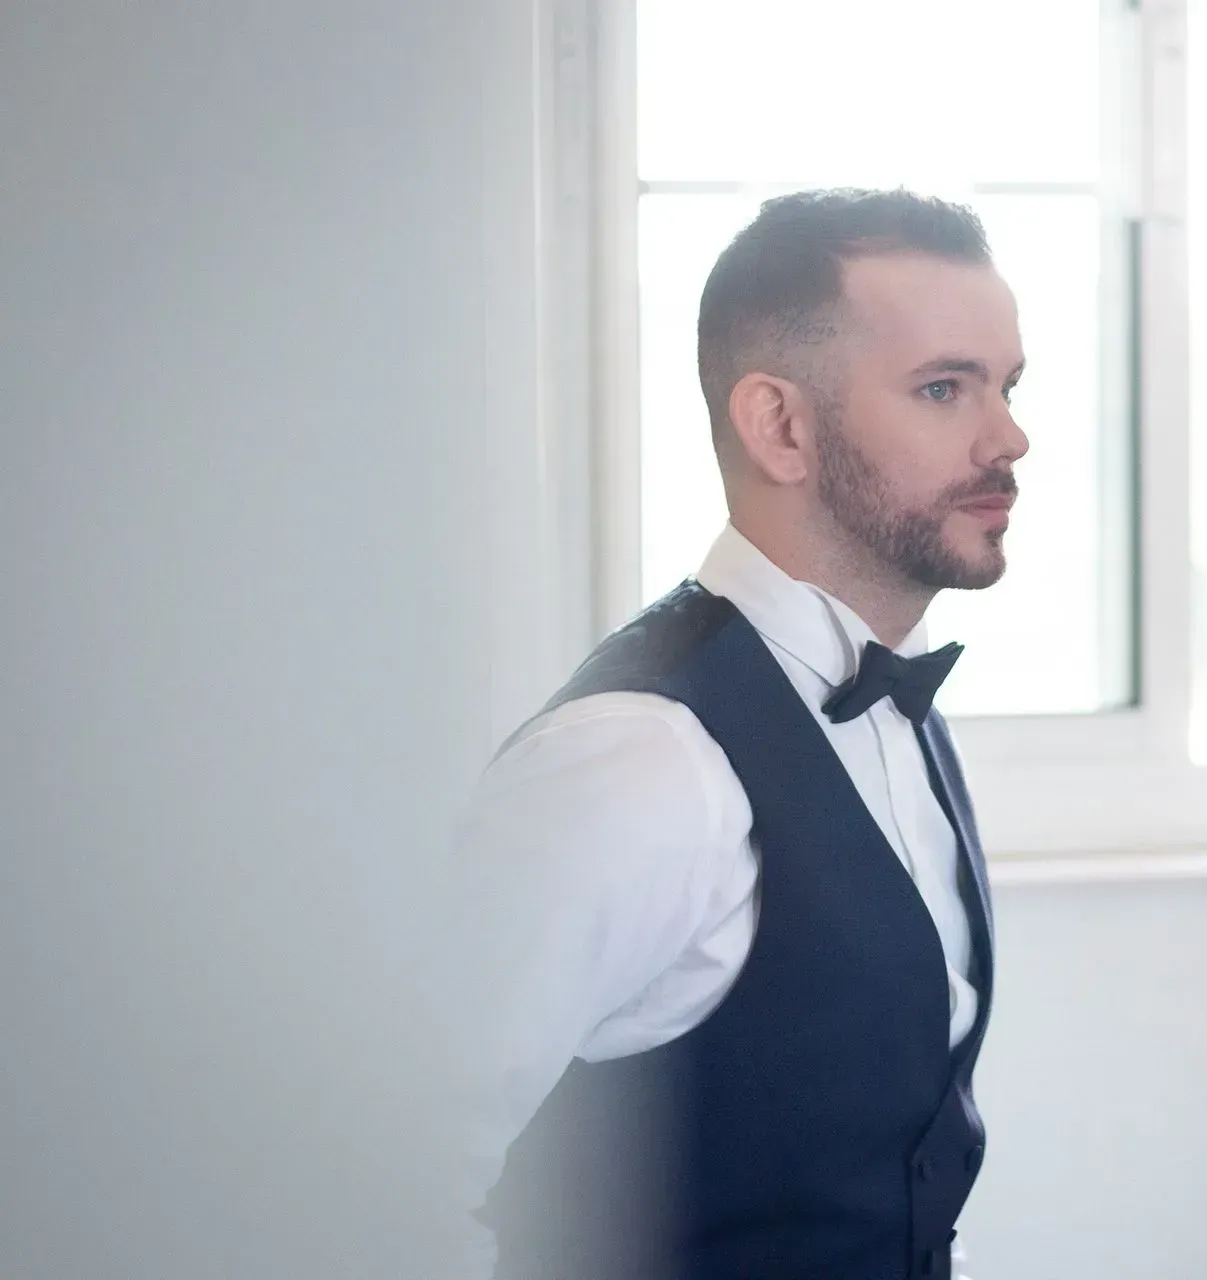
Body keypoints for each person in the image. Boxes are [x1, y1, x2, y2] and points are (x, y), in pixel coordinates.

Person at [454, 188, 1029, 1280]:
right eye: (944, 388)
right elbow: (385, 1176)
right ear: (780, 425)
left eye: (1008, 386)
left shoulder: (894, 697)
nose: (1010, 436)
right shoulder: (637, 762)